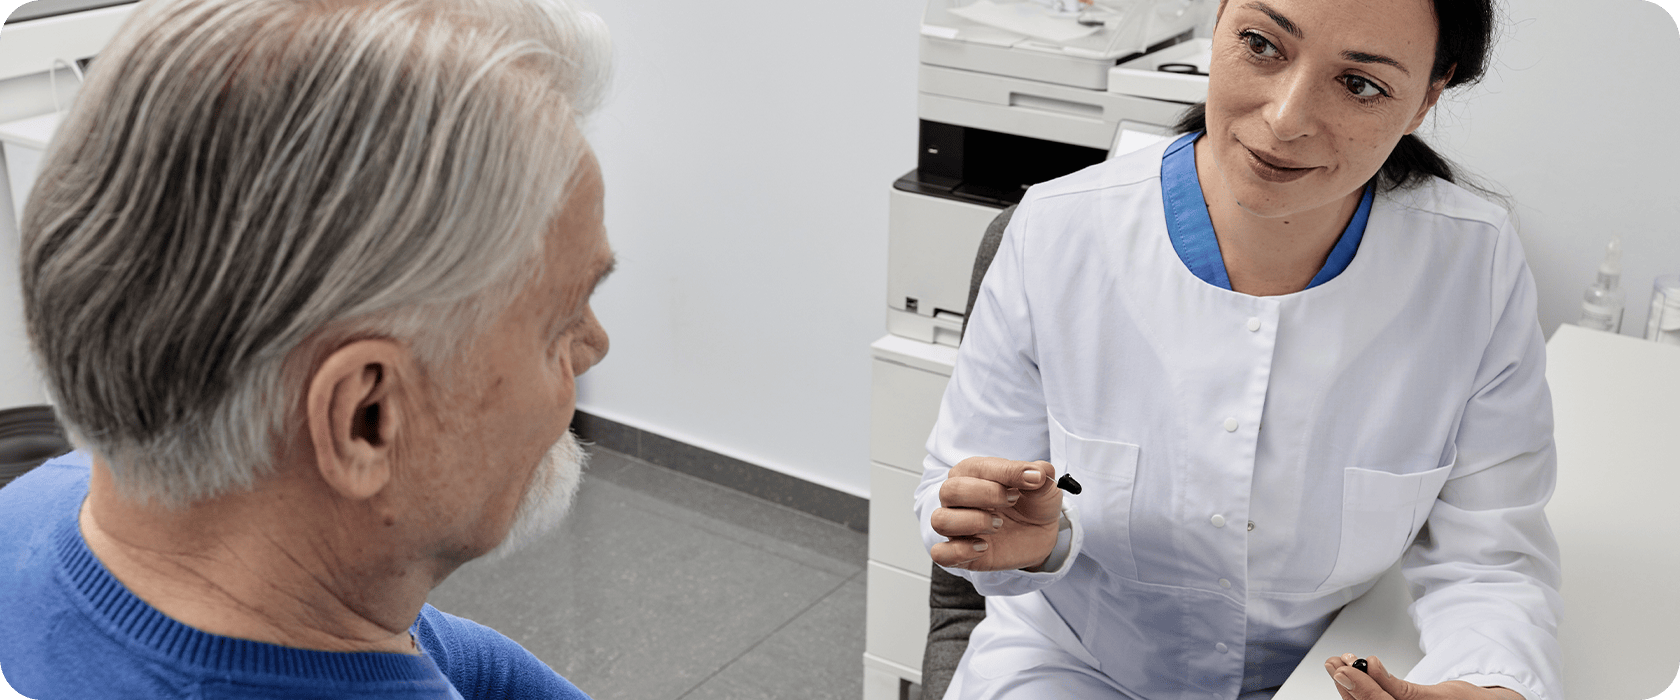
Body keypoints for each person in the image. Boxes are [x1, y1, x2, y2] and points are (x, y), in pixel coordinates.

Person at [913, 0, 1563, 698]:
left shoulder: (1473, 265)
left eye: (1359, 84)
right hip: (1076, 665)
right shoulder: (1056, 231)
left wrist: (1489, 683)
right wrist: (1025, 538)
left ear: (1426, 99)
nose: (1285, 118)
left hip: (1326, 675)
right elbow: (961, 488)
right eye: (1261, 44)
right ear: (1220, 18)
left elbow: (1490, 559)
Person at [0, 0, 615, 697]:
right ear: (367, 418)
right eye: (561, 319)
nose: (594, 344)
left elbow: (447, 658)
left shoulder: (48, 506)